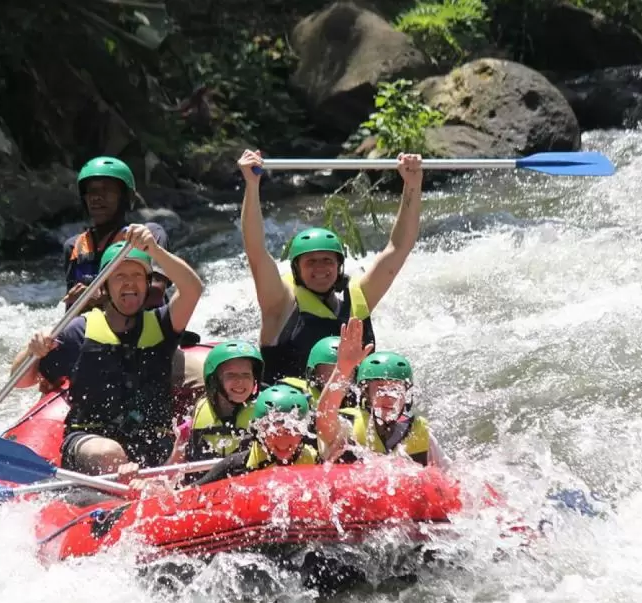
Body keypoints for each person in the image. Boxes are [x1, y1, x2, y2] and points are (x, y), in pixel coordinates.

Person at [11, 227, 204, 477]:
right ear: (104, 287)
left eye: (137, 275)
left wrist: (155, 251)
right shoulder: (79, 331)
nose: (129, 282)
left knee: (190, 445)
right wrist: (31, 350)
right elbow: (22, 380)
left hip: (153, 440)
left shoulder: (163, 324)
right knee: (109, 453)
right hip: (91, 439)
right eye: (119, 275)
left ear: (147, 285)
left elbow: (193, 289)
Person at [237, 149, 425, 384]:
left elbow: (398, 248)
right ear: (296, 269)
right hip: (292, 412)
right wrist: (252, 184)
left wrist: (412, 184)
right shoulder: (280, 303)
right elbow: (255, 251)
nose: (320, 269)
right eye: (310, 262)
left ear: (339, 266)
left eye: (327, 261)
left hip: (350, 413)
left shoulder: (359, 298)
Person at [317, 318, 451, 468]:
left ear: (406, 395)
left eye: (395, 389)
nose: (388, 396)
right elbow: (324, 418)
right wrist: (343, 369)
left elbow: (451, 476)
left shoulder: (420, 433)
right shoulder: (347, 425)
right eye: (380, 388)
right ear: (366, 393)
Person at [63, 156, 172, 311]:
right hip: (98, 330)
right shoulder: (73, 246)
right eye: (92, 191)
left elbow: (156, 294)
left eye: (106, 190)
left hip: (147, 326)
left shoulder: (148, 235)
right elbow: (70, 308)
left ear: (125, 197)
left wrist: (102, 299)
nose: (96, 197)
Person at [192, 384, 319, 486]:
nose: (283, 440)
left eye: (291, 430)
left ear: (304, 432)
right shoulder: (236, 466)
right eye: (274, 432)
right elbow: (190, 492)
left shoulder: (318, 462)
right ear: (259, 432)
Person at [169, 340, 262, 465]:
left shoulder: (264, 418)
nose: (240, 381)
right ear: (215, 380)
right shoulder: (189, 426)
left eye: (246, 375)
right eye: (231, 375)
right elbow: (173, 467)